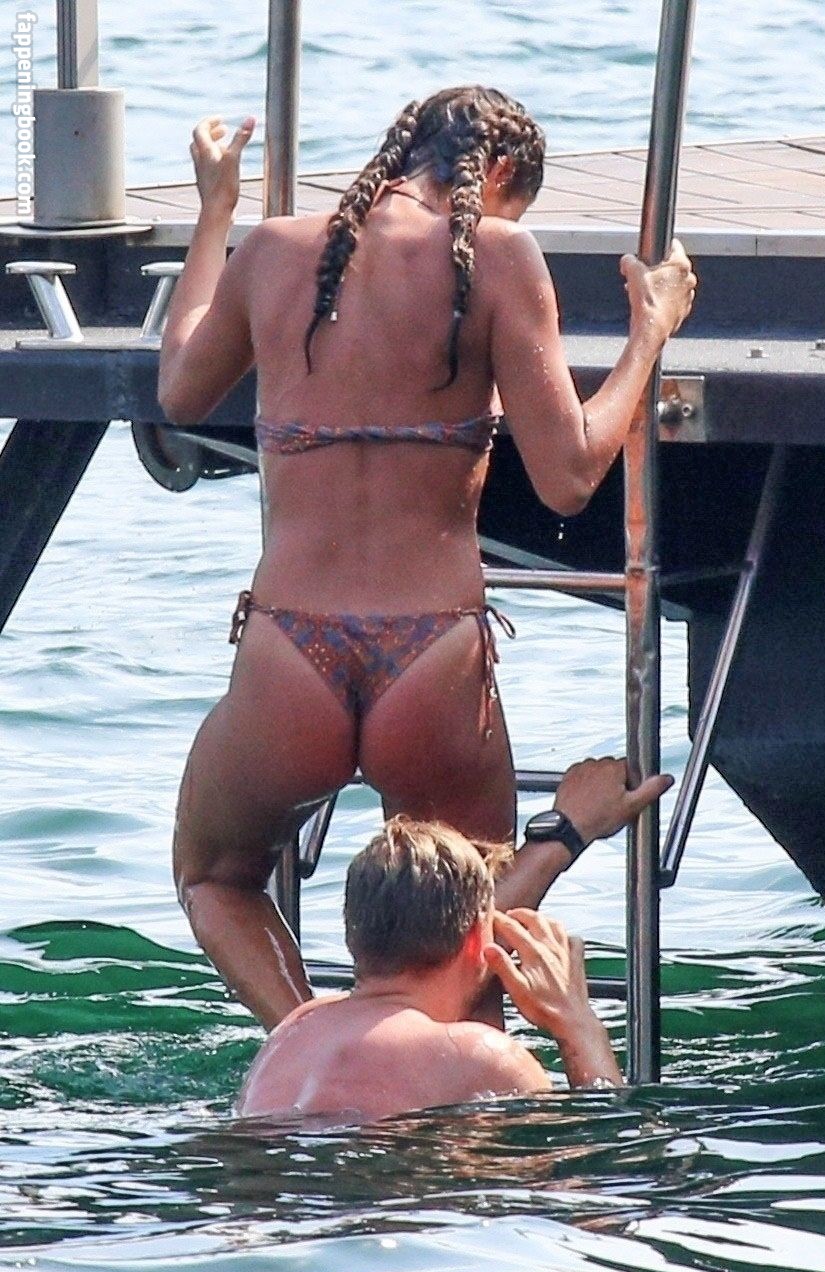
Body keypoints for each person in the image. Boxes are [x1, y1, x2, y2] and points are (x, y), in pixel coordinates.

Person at [159, 86, 696, 1030]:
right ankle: (431, 1082)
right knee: (470, 932)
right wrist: (649, 331)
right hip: (431, 656)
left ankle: (308, 1041)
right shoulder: (500, 255)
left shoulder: (274, 248)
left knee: (214, 875)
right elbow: (570, 475)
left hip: (290, 646)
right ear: (496, 175)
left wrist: (217, 211)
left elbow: (179, 391)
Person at [236, 756, 671, 1124]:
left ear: (354, 936)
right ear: (478, 938)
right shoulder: (482, 1057)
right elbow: (599, 1159)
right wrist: (578, 1027)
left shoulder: (293, 1032)